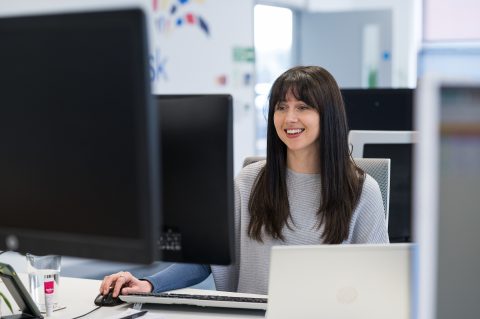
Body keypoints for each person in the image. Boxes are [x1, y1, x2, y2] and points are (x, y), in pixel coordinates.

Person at [99, 65, 389, 298]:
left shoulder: (362, 191)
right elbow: (208, 259)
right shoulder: (249, 181)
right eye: (280, 106)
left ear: (328, 116)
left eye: (302, 107)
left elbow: (377, 282)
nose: (289, 118)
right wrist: (149, 284)